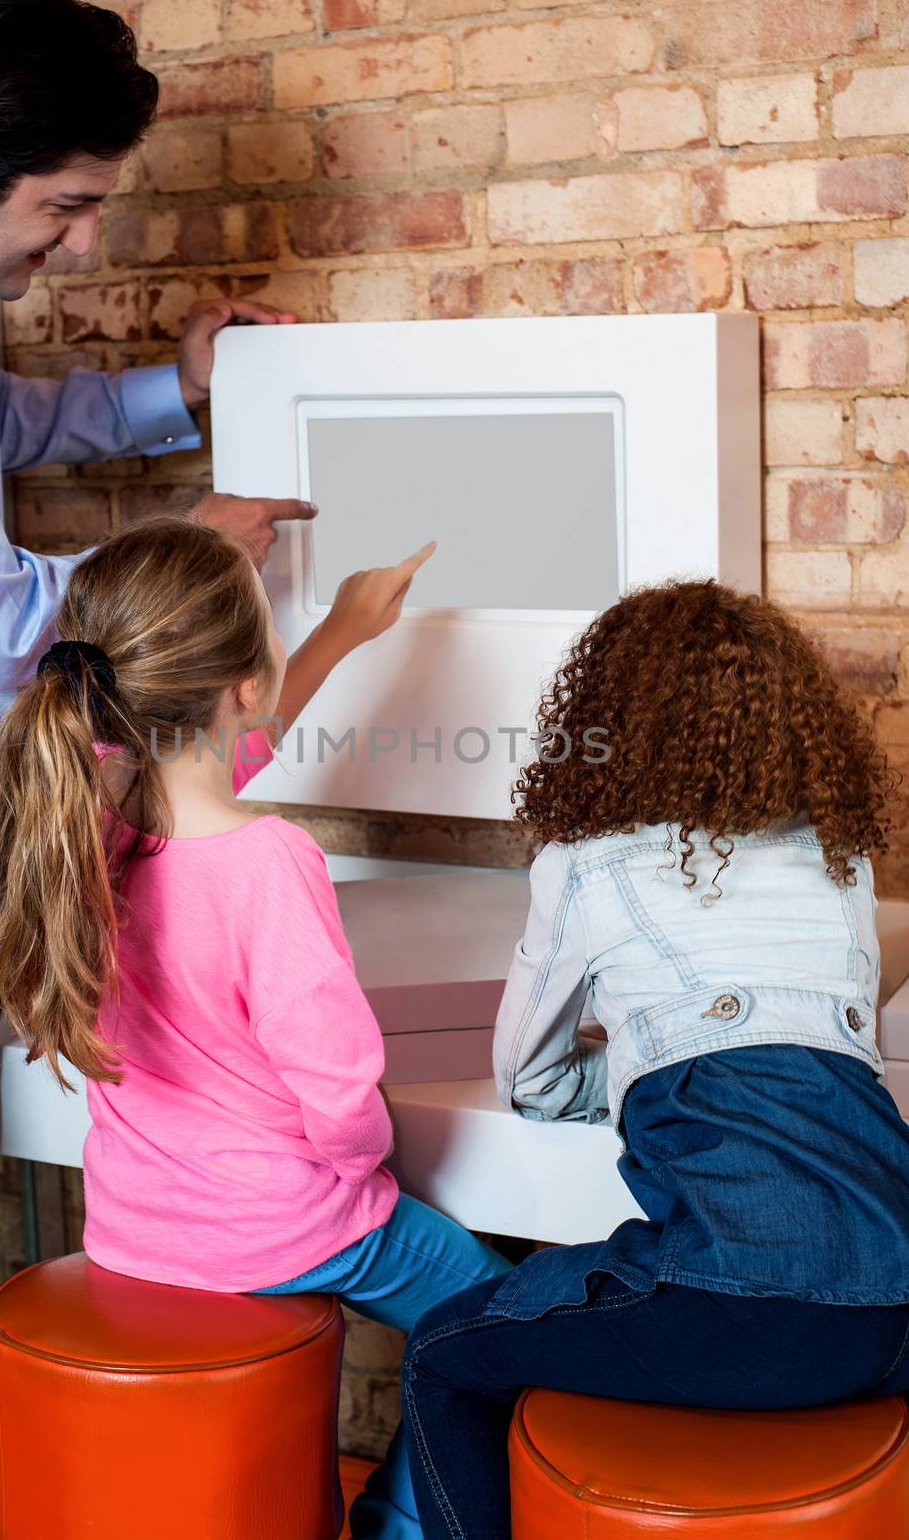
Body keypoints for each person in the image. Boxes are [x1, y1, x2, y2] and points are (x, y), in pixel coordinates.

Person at [0, 0, 313, 1539]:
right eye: (70, 206)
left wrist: (163, 398)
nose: (89, 246)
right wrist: (186, 549)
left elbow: (16, 430)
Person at [0, 514, 511, 1539]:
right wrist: (362, 1175)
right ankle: (393, 1522)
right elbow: (344, 1098)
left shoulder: (97, 834)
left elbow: (220, 761)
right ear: (247, 686)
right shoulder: (272, 863)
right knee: (497, 1328)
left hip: (138, 1225)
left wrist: (347, 626)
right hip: (287, 1228)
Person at [400, 578, 909, 1540]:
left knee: (441, 1353)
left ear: (607, 717)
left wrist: (629, 1070)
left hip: (748, 1306)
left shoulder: (586, 864)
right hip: (897, 1297)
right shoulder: (838, 861)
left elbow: (532, 1078)